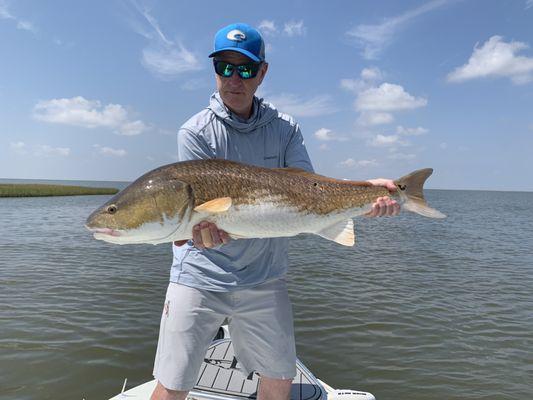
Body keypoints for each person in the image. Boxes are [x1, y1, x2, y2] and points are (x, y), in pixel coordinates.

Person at [150, 23, 400, 400]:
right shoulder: (195, 132)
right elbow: (198, 217)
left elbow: (310, 190)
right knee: (172, 386)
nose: (235, 78)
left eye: (246, 69)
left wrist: (367, 193)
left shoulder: (285, 129)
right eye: (225, 67)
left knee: (280, 381)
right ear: (214, 69)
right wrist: (198, 229)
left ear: (262, 72)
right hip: (199, 274)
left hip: (264, 276)